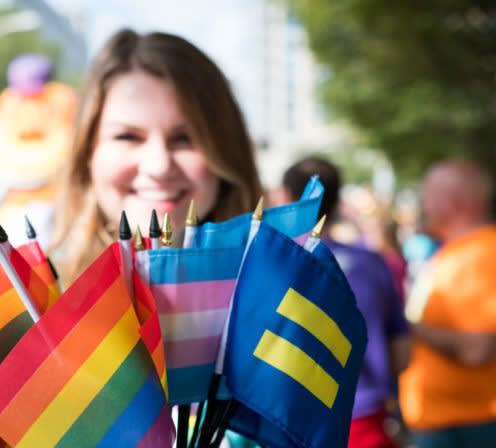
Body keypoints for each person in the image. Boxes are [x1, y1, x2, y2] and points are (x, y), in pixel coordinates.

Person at [49, 29, 262, 286]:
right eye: (128, 136)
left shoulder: (285, 295)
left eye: (185, 138)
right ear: (87, 152)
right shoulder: (33, 301)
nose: (159, 166)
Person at [280, 156, 410, 448]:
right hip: (365, 419)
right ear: (337, 199)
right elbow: (402, 353)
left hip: (290, 425)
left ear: (286, 198)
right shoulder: (373, 263)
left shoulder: (272, 266)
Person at [399, 160, 496, 447]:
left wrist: (411, 327)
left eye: (427, 195)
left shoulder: (482, 253)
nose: (423, 205)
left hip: (469, 427)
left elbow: (476, 349)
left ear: (454, 202)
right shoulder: (459, 250)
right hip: (452, 424)